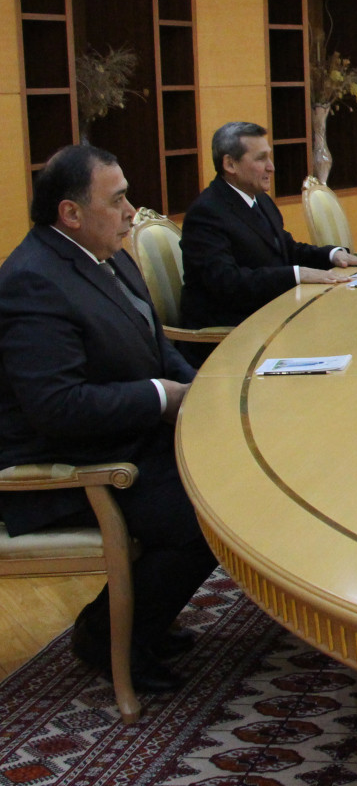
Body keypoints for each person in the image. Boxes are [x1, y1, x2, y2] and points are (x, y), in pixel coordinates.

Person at [0, 145, 217, 692]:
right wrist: (162, 397)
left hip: (120, 436)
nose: (130, 211)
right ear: (71, 213)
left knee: (225, 477)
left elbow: (154, 344)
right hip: (62, 463)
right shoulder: (31, 280)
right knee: (203, 514)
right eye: (117, 199)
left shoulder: (106, 253)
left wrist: (195, 391)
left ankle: (139, 621)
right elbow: (57, 408)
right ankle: (106, 636)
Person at [180, 122, 357, 336]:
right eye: (260, 159)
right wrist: (297, 274)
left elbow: (286, 249)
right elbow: (228, 283)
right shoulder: (206, 213)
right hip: (231, 333)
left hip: (274, 317)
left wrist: (332, 255)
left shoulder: (261, 200)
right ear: (230, 164)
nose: (271, 167)